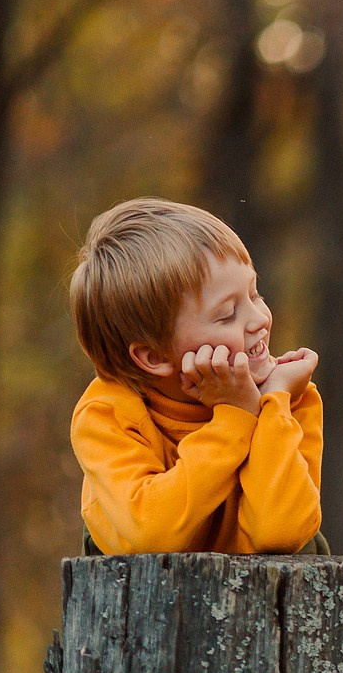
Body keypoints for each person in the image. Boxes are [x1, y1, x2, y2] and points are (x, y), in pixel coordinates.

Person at [68, 198, 325, 555]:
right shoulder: (107, 415)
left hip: (272, 603)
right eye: (226, 315)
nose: (259, 319)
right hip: (149, 601)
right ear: (154, 356)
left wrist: (270, 405)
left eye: (255, 294)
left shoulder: (288, 393)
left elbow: (281, 533)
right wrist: (235, 418)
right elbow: (152, 535)